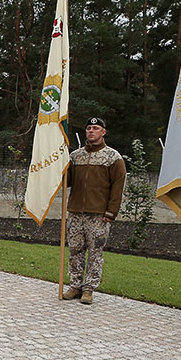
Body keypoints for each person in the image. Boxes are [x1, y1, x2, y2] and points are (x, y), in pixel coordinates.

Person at [62, 117, 126, 304]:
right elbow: (68, 182)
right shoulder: (76, 156)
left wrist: (111, 212)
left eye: (95, 128)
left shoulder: (113, 157)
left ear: (103, 132)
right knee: (75, 250)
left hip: (98, 215)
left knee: (95, 252)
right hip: (75, 212)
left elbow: (118, 187)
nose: (91, 131)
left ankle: (89, 288)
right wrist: (60, 166)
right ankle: (75, 284)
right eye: (89, 128)